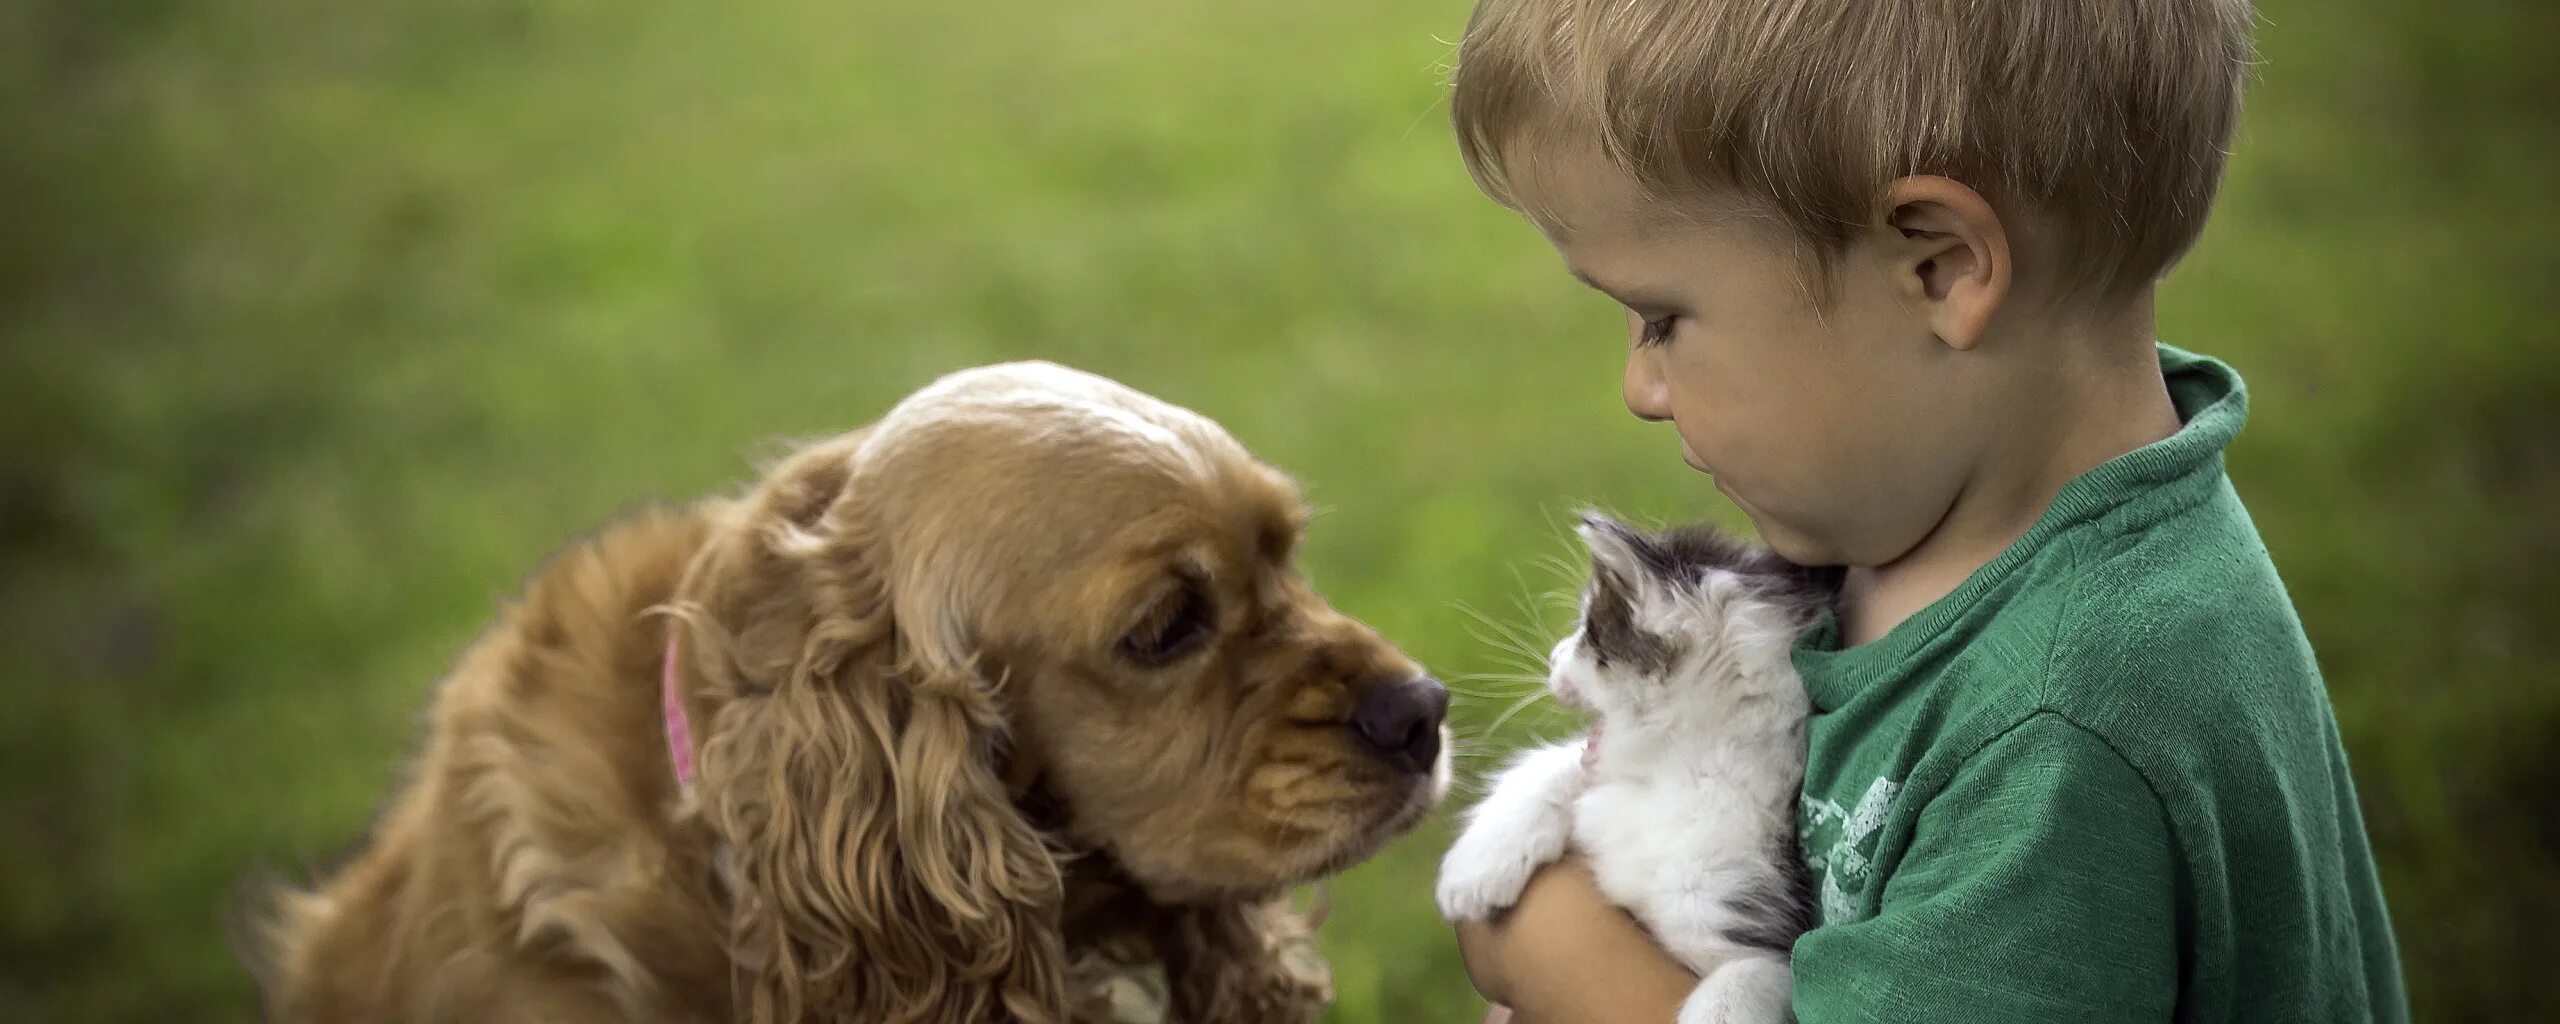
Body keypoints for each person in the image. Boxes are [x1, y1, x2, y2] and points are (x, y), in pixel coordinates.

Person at [1439, 1, 2409, 1020]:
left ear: (1937, 266)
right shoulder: (1920, 541)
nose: (1640, 385)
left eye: (1662, 318)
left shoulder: (2058, 726)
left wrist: (1541, 941)